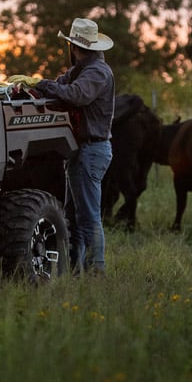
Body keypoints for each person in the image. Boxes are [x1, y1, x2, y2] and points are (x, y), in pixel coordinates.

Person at [33, 17, 115, 275]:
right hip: (85, 150)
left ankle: (94, 272)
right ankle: (76, 271)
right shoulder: (84, 69)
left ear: (74, 46)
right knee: (74, 216)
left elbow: (76, 94)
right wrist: (40, 84)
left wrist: (42, 84)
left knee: (88, 217)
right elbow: (62, 85)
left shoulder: (96, 72)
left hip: (90, 150)